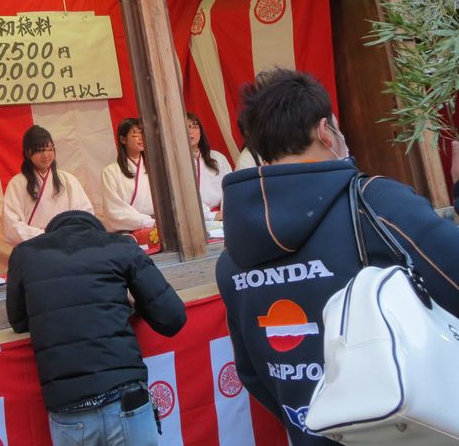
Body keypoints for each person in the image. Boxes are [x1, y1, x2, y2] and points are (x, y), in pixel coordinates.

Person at [215, 69, 459, 445]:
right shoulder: (376, 203)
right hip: (411, 430)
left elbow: (252, 373)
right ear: (326, 131)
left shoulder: (231, 259)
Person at [6, 210, 187, 446]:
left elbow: (19, 321)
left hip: (69, 409)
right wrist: (130, 303)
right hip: (125, 398)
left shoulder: (25, 254)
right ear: (97, 229)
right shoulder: (121, 246)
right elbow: (171, 317)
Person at [2, 125, 94, 245]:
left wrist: (68, 234)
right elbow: (12, 227)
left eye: (49, 149)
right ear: (28, 152)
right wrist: (47, 235)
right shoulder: (17, 184)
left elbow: (85, 215)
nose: (46, 155)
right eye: (40, 150)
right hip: (33, 245)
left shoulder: (68, 180)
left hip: (68, 242)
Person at [101, 118, 160, 251]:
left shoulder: (155, 167)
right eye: (135, 134)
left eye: (142, 133)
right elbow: (114, 210)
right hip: (128, 231)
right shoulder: (110, 172)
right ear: (123, 139)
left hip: (156, 225)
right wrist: (147, 222)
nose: (140, 138)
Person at [186, 112, 232, 212]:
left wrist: (224, 212)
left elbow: (229, 187)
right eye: (186, 127)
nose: (190, 131)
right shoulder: (176, 163)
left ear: (200, 132)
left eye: (194, 127)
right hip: (192, 216)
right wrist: (210, 215)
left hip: (220, 215)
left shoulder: (218, 158)